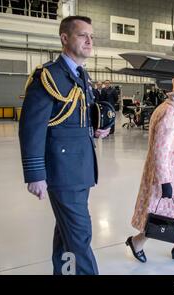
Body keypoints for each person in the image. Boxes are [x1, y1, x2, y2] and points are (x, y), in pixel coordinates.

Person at [18, 16, 110, 275]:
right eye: (83, 35)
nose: (90, 41)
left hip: (80, 168)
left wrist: (97, 128)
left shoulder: (81, 74)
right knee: (80, 235)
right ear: (65, 38)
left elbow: (74, 118)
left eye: (92, 36)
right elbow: (31, 128)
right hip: (62, 171)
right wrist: (36, 175)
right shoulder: (48, 76)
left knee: (67, 235)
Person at [126, 75, 174, 263]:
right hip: (169, 176)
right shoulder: (169, 113)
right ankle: (136, 242)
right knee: (161, 215)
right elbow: (160, 150)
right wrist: (165, 182)